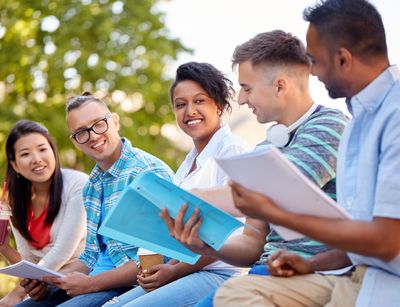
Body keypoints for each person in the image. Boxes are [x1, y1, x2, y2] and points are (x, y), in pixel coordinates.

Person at [207, 1, 400, 306]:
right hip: (352, 273)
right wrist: (312, 263)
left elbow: (388, 242)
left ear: (342, 60)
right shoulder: (360, 123)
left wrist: (275, 213)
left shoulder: (391, 116)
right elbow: (360, 241)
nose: (311, 71)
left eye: (315, 60)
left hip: (381, 283)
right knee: (234, 294)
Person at [161, 30, 349, 306]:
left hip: (315, 275)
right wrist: (204, 245)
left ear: (280, 86)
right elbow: (251, 244)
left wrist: (184, 200)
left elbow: (278, 190)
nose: (240, 100)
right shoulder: (263, 149)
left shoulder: (331, 127)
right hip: (262, 275)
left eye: (247, 88)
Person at [104, 62, 250, 307]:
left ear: (219, 103)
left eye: (199, 101)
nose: (190, 111)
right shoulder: (188, 162)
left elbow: (234, 233)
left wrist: (174, 271)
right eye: (180, 105)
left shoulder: (232, 150)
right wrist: (164, 269)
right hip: (185, 269)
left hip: (219, 272)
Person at [16, 93, 173, 307]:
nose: (92, 136)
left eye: (99, 124)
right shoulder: (91, 185)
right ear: (75, 141)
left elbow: (159, 257)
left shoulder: (146, 173)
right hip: (96, 279)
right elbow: (90, 257)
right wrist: (49, 281)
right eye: (81, 132)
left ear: (115, 121)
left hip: (133, 285)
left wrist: (91, 284)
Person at [0, 120, 87, 306]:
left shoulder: (77, 185)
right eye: (25, 154)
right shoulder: (15, 202)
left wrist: (17, 293)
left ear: (53, 151)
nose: (37, 159)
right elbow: (29, 262)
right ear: (14, 165)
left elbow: (61, 253)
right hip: (47, 284)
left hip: (83, 277)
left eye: (42, 149)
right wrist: (5, 248)